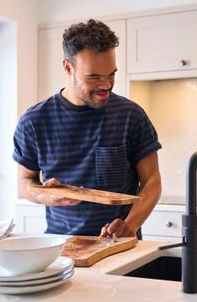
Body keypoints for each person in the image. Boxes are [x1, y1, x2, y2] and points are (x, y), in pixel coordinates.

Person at [13, 19, 162, 238]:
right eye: (93, 77)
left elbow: (152, 181)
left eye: (111, 74)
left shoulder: (131, 115)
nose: (106, 85)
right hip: (61, 246)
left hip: (120, 244)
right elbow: (25, 182)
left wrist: (130, 225)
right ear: (67, 67)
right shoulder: (34, 122)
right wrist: (44, 195)